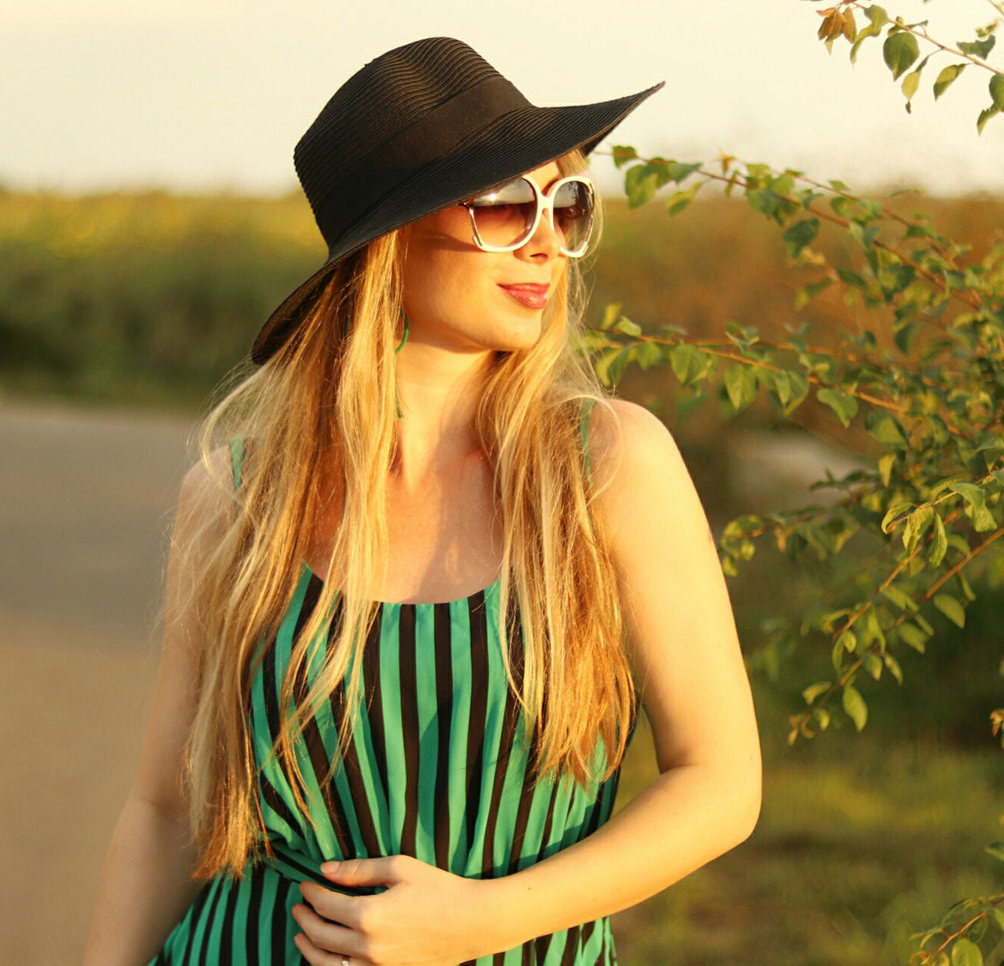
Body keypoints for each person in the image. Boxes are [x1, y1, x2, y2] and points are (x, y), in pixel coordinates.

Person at [83, 36, 762, 966]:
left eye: (566, 205)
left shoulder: (607, 466)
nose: (546, 242)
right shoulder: (237, 499)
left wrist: (489, 919)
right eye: (505, 204)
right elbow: (167, 809)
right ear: (388, 239)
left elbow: (720, 781)